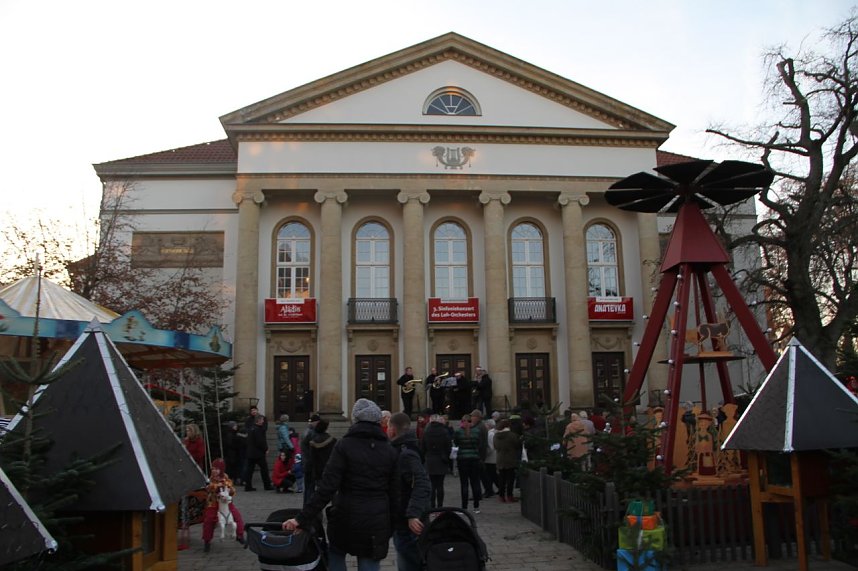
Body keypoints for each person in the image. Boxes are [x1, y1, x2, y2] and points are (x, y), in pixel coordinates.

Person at [283, 399, 399, 571]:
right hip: (376, 519)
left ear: (355, 420)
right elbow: (396, 492)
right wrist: (392, 525)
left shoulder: (344, 445)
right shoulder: (389, 450)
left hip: (346, 514)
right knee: (369, 560)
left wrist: (302, 518)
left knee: (336, 554)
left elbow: (327, 487)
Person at [388, 412, 431, 571]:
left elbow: (422, 483)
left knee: (412, 563)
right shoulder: (406, 448)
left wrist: (413, 514)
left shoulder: (406, 453)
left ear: (392, 429)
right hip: (403, 519)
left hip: (409, 522)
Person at [201, 458, 245, 552]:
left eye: (217, 469)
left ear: (221, 469)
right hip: (213, 504)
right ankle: (207, 540)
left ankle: (240, 535)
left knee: (237, 517)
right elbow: (209, 488)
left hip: (226, 504)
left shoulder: (226, 479)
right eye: (213, 469)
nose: (214, 471)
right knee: (209, 520)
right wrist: (215, 488)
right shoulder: (210, 480)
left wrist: (229, 490)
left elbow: (232, 490)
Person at [421, 413, 452, 508]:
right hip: (441, 460)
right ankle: (440, 506)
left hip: (430, 460)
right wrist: (447, 457)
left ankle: (432, 506)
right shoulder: (444, 431)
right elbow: (449, 446)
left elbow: (422, 447)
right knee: (440, 485)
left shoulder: (426, 431)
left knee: (432, 485)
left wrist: (423, 458)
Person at [453, 413, 482, 513]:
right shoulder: (477, 431)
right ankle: (476, 506)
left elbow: (456, 443)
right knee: (475, 482)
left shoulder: (458, 432)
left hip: (462, 459)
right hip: (474, 458)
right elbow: (479, 444)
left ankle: (464, 507)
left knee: (464, 483)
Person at [492, 419, 521, 503]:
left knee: (501, 479)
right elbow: (517, 445)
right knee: (510, 479)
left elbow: (495, 447)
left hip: (500, 458)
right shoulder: (512, 435)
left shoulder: (496, 436)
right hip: (510, 458)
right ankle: (509, 496)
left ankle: (501, 496)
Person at [244, 414, 273, 491]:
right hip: (258, 453)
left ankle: (248, 486)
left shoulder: (251, 428)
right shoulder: (258, 429)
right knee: (264, 469)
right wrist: (265, 449)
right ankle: (267, 485)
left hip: (251, 452)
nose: (263, 421)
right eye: (262, 420)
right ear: (258, 420)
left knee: (249, 470)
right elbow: (260, 441)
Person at [307, 418, 336, 493]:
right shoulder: (333, 440)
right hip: (330, 468)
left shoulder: (314, 441)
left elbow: (312, 458)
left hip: (318, 469)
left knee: (320, 491)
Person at [300, 413, 321, 506]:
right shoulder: (312, 433)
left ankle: (306, 505)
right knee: (310, 487)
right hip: (310, 463)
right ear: (316, 422)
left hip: (306, 462)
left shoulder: (306, 431)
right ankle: (309, 506)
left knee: (308, 486)